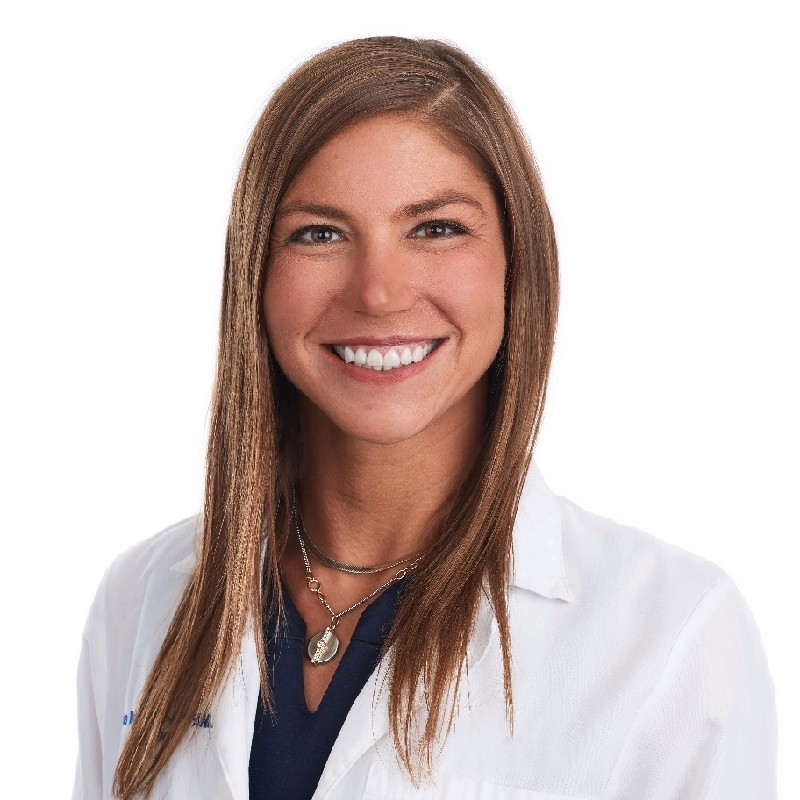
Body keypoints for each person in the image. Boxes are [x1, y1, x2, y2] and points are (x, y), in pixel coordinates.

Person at [72, 36, 777, 800]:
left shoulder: (673, 635)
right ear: (255, 274)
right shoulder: (139, 599)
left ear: (517, 263)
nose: (378, 291)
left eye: (436, 228)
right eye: (319, 233)